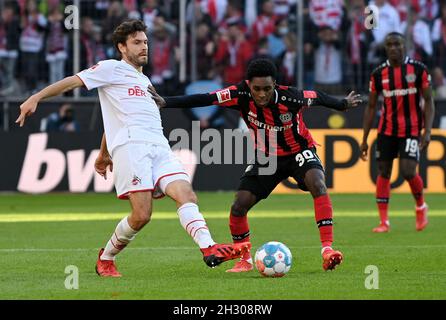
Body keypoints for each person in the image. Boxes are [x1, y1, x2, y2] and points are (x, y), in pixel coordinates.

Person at [15, 19, 249, 277]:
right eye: (137, 42)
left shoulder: (145, 79)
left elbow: (114, 117)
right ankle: (105, 258)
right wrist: (36, 97)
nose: (144, 47)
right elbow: (72, 82)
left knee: (186, 195)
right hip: (131, 147)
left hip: (159, 145)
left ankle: (209, 249)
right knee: (141, 215)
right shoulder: (110, 68)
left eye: (146, 42)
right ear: (122, 47)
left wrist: (103, 153)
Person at [150, 58, 363, 272]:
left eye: (267, 89)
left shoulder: (291, 97)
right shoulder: (239, 94)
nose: (262, 94)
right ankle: (244, 259)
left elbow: (318, 97)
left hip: (299, 150)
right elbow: (206, 98)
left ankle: (327, 250)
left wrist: (343, 104)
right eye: (257, 89)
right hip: (267, 157)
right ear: (248, 84)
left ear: (275, 85)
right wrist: (167, 102)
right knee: (239, 205)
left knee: (318, 184)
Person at [360, 32, 435, 233]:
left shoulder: (418, 70)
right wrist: (365, 138)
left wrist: (427, 131)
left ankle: (421, 206)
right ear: (385, 48)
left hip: (411, 130)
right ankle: (384, 222)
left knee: (408, 171)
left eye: (397, 44)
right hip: (386, 130)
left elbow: (428, 101)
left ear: (405, 46)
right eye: (390, 45)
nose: (393, 48)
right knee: (383, 172)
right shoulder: (378, 74)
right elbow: (371, 106)